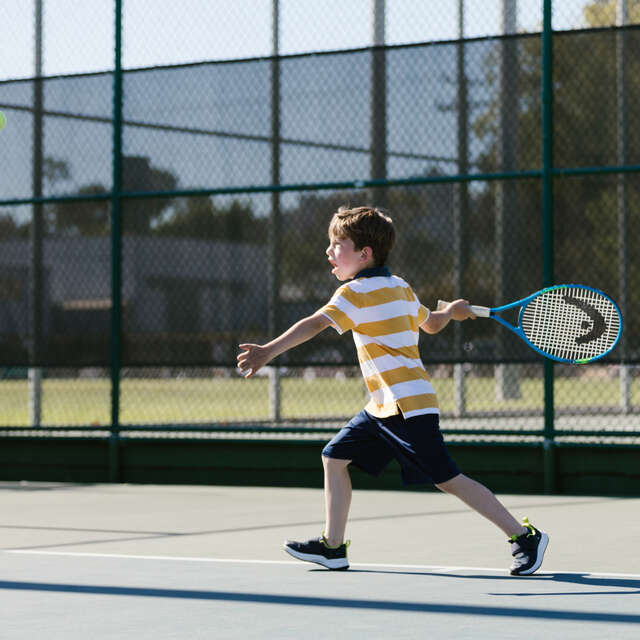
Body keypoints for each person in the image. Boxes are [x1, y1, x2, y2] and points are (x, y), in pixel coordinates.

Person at [237, 205, 548, 576]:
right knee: (334, 457)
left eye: (338, 244)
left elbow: (314, 324)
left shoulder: (355, 294)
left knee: (447, 479)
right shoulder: (399, 286)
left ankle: (524, 537)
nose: (329, 252)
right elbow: (431, 324)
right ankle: (333, 548)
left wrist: (267, 351)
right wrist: (450, 312)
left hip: (407, 406)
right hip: (384, 406)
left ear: (364, 254)